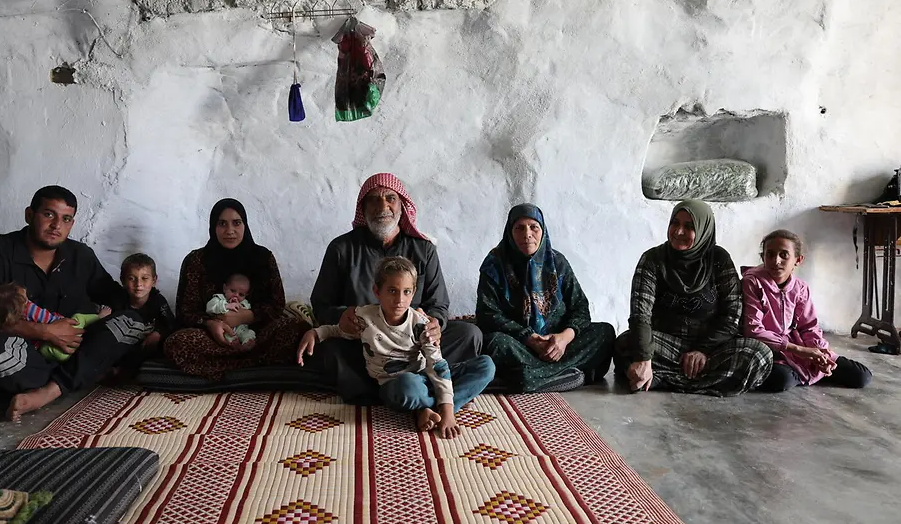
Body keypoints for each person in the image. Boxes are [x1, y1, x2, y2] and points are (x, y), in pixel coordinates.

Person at [0, 185, 142, 420]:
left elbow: (116, 298)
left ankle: (48, 392)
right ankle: (78, 377)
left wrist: (149, 309)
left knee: (131, 322)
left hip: (73, 350)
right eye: (48, 214)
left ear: (72, 224)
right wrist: (44, 331)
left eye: (66, 219)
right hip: (23, 354)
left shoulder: (80, 256)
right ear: (29, 215)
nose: (56, 226)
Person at [310, 173, 483, 404]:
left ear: (401, 205)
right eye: (374, 200)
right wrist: (340, 316)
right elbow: (321, 303)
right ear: (363, 208)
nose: (383, 206)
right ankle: (413, 391)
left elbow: (438, 303)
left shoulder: (424, 250)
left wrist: (435, 324)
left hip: (416, 344)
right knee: (331, 348)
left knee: (470, 335)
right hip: (367, 345)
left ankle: (408, 391)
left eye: (390, 198)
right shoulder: (341, 249)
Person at [299, 257, 495, 437]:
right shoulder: (364, 318)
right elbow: (338, 330)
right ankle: (427, 407)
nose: (399, 300)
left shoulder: (420, 323)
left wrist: (449, 414)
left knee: (486, 366)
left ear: (413, 293)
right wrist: (315, 333)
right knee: (406, 387)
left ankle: (431, 410)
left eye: (406, 292)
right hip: (396, 386)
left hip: (424, 378)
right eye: (392, 291)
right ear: (377, 292)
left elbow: (437, 365)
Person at [615, 199, 773, 396]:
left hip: (711, 349)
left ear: (703, 229)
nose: (678, 232)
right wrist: (645, 358)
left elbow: (732, 316)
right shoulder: (653, 259)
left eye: (689, 227)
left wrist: (702, 350)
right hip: (666, 345)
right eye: (675, 223)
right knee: (626, 343)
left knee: (759, 354)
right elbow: (640, 313)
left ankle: (662, 379)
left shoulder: (719, 260)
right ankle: (704, 382)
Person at [163, 198, 310, 379]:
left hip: (257, 336)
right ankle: (255, 366)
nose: (230, 231)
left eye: (236, 223)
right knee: (177, 343)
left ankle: (220, 366)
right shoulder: (196, 261)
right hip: (212, 337)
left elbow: (277, 304)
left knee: (297, 328)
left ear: (245, 225)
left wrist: (248, 316)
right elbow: (185, 310)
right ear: (213, 227)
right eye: (222, 224)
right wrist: (212, 323)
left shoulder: (263, 258)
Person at [476, 204, 615, 392]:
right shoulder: (494, 264)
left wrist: (564, 338)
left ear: (543, 230)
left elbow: (580, 307)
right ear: (509, 232)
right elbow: (487, 314)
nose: (527, 234)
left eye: (534, 227)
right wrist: (530, 338)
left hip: (558, 345)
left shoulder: (557, 263)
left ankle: (530, 378)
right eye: (519, 228)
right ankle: (567, 376)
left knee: (605, 332)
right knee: (495, 344)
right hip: (520, 344)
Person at [743, 229, 872, 392]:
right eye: (770, 254)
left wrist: (821, 354)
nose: (776, 261)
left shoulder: (800, 288)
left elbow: (808, 327)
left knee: (861, 376)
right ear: (763, 257)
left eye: (784, 255)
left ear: (798, 260)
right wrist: (800, 350)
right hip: (770, 349)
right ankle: (802, 373)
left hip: (797, 347)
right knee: (780, 379)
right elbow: (753, 329)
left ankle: (804, 373)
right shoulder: (752, 282)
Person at [205, 273, 257, 345]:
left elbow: (248, 311)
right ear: (225, 288)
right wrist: (226, 306)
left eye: (241, 294)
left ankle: (247, 344)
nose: (236, 295)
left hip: (241, 329)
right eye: (232, 291)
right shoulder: (219, 298)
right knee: (228, 336)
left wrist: (241, 307)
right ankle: (234, 344)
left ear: (246, 296)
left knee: (248, 334)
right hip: (225, 328)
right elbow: (209, 307)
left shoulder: (244, 302)